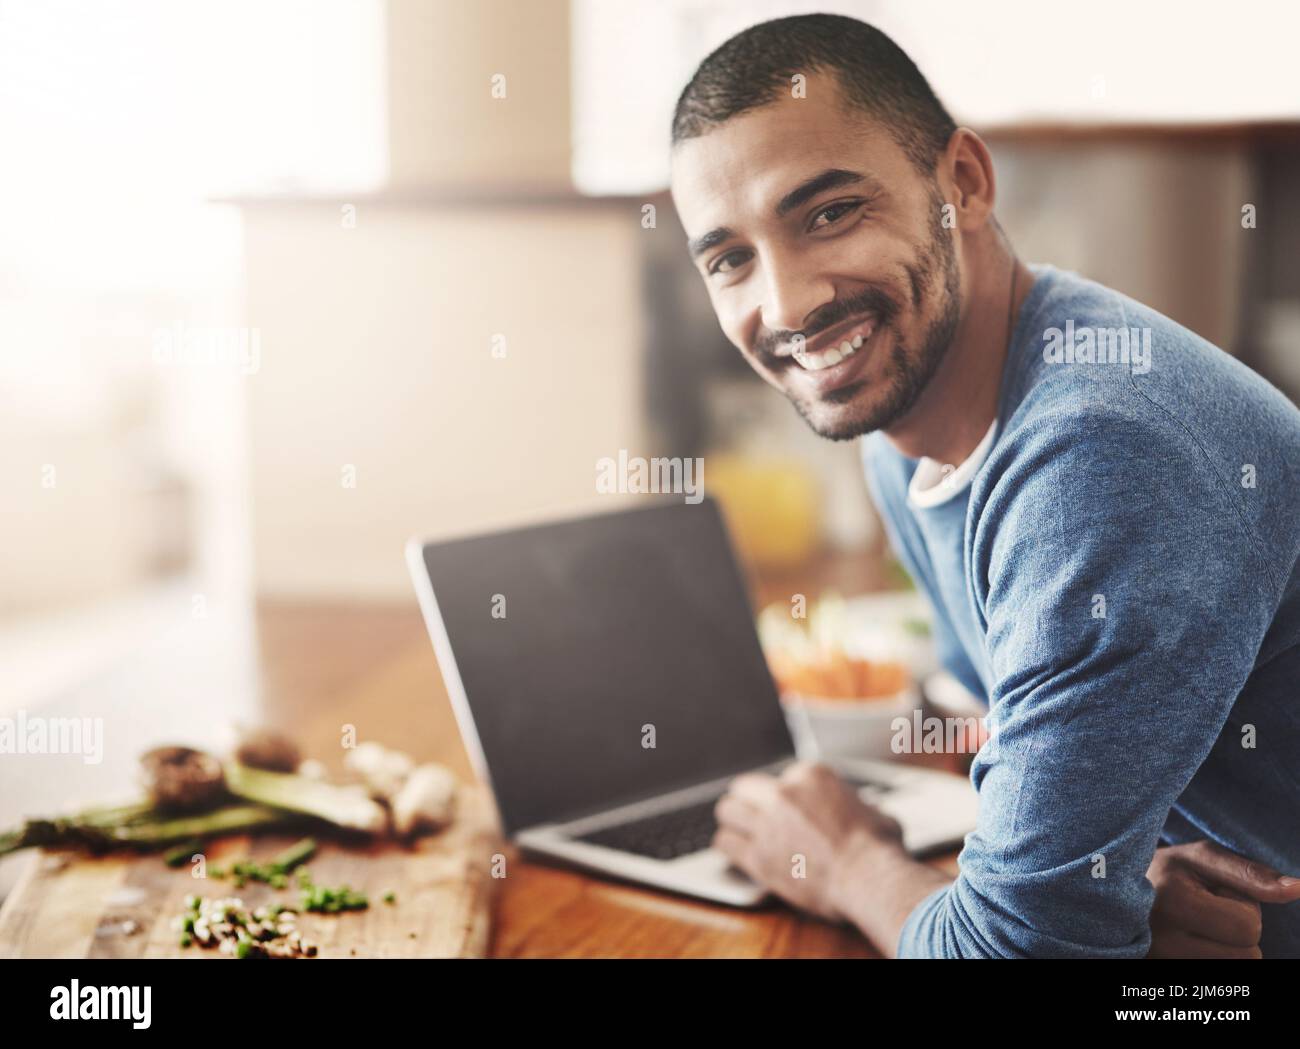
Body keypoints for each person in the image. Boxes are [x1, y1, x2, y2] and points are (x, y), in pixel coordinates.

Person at [668, 13, 1300, 958]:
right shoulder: (904, 425)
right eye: (731, 258)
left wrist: (846, 861)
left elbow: (1017, 952)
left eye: (831, 212)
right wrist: (1109, 878)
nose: (788, 304)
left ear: (961, 183)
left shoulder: (1099, 456)